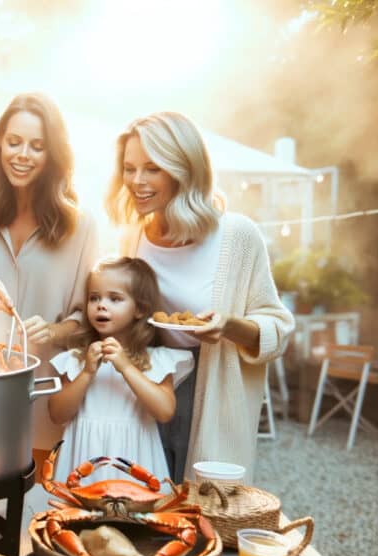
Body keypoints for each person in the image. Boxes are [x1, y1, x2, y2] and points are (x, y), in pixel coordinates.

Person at [106, 111, 294, 483]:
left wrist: (228, 326)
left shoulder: (237, 236)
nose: (136, 181)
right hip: (148, 383)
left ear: (183, 169)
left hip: (209, 388)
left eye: (151, 168)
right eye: (129, 169)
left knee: (203, 511)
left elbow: (279, 328)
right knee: (141, 503)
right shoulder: (133, 238)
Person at [0, 92, 99, 467]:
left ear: (53, 156)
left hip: (47, 400)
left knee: (35, 512)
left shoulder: (81, 226)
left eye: (37, 146)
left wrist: (55, 331)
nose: (22, 155)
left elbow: (91, 321)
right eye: (13, 142)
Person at [46, 257, 194, 485]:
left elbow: (164, 411)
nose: (101, 305)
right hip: (83, 463)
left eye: (115, 298)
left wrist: (126, 367)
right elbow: (57, 414)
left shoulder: (156, 360)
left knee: (135, 520)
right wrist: (86, 373)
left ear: (140, 309)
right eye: (94, 298)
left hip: (135, 464)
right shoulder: (76, 359)